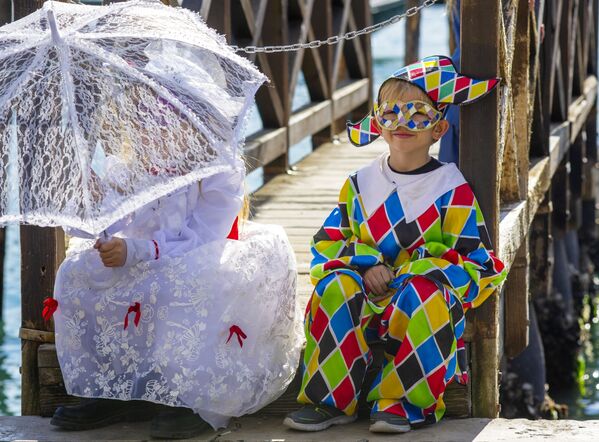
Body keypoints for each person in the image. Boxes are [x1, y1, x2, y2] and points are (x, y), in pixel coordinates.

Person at [283, 55, 507, 434]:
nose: (402, 124)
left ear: (438, 128)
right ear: (378, 124)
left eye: (417, 114)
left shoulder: (452, 190)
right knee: (336, 287)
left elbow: (478, 263)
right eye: (390, 113)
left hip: (417, 299)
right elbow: (329, 243)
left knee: (424, 296)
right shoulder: (359, 184)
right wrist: (366, 264)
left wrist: (413, 271)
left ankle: (404, 402)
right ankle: (330, 399)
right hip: (367, 292)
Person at [49, 156, 302, 439]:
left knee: (180, 284)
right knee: (76, 273)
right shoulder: (132, 164)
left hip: (200, 257)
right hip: (141, 254)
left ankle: (191, 396)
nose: (152, 126)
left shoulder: (220, 166)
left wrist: (138, 251)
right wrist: (93, 199)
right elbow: (115, 220)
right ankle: (115, 385)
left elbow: (206, 237)